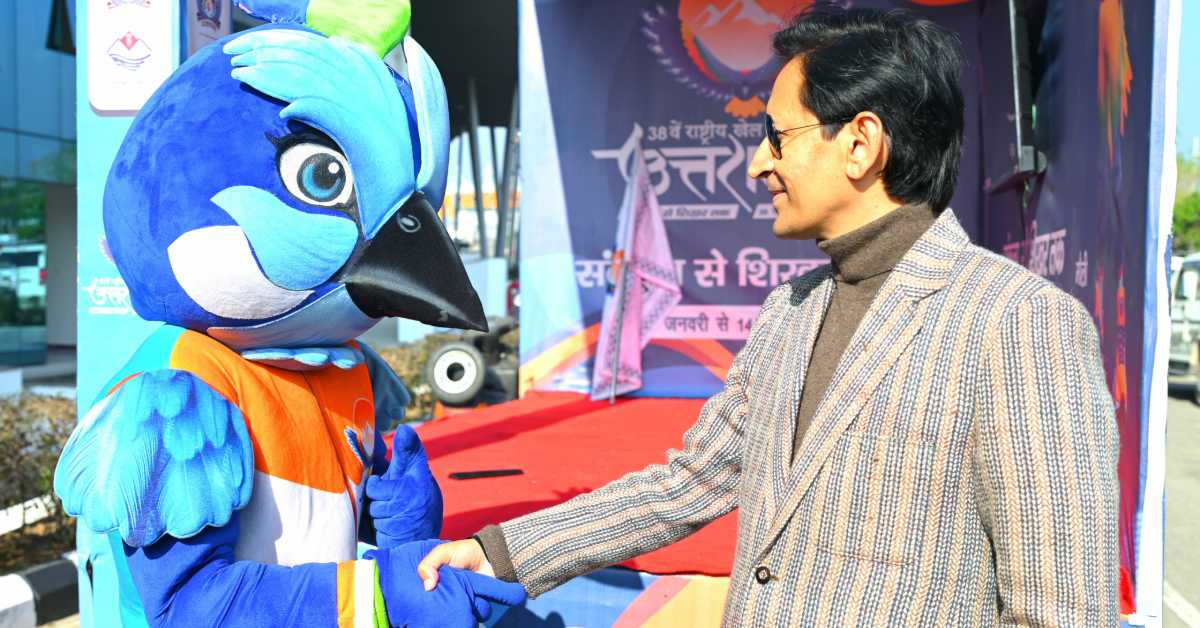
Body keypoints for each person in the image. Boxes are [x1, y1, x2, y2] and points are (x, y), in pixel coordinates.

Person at [420, 7, 1120, 625]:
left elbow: (1059, 613)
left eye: (776, 134)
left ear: (861, 143)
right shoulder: (790, 310)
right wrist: (503, 552)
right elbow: (687, 483)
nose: (758, 163)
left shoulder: (1020, 324)